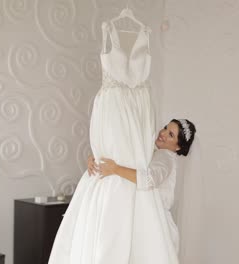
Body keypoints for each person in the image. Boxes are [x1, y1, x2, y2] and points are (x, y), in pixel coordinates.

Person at [49, 8, 175, 264]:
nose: (163, 134)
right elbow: (106, 130)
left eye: (170, 134)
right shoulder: (109, 35)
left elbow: (139, 142)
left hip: (128, 173)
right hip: (110, 173)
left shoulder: (144, 99)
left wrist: (115, 165)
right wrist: (95, 155)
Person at [87, 119, 196, 258]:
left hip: (155, 225)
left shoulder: (166, 157)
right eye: (165, 128)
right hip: (148, 219)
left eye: (171, 135)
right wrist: (93, 158)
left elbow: (149, 179)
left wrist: (115, 169)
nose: (162, 133)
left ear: (178, 147)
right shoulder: (154, 152)